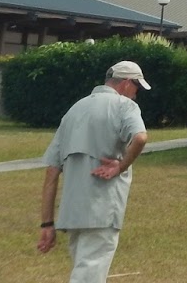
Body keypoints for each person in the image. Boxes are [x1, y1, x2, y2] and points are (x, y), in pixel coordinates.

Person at [36, 60, 151, 282]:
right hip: (102, 209)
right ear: (127, 83)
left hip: (72, 211)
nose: (136, 95)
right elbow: (140, 137)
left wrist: (47, 223)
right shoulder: (124, 106)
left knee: (84, 270)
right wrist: (121, 165)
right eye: (136, 88)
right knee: (89, 275)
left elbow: (51, 172)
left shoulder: (73, 111)